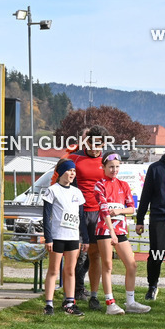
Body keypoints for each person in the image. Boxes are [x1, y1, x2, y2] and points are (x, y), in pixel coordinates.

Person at [95, 153, 151, 315]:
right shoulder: (99, 185)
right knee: (108, 266)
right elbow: (104, 210)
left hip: (120, 230)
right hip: (104, 230)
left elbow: (131, 208)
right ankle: (110, 303)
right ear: (104, 167)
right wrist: (111, 232)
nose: (114, 170)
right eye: (111, 166)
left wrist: (119, 210)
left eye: (117, 166)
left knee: (132, 265)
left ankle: (130, 302)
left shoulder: (124, 185)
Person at [136, 131, 165, 300]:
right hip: (159, 218)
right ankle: (152, 286)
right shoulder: (155, 168)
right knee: (156, 254)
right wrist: (139, 219)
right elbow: (146, 195)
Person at [69, 125, 112, 310]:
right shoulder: (74, 158)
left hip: (99, 214)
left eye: (100, 144)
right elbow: (60, 183)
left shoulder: (106, 160)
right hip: (79, 212)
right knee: (74, 256)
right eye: (94, 143)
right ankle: (71, 296)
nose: (97, 147)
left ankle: (94, 296)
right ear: (87, 141)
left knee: (95, 256)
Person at [41, 159, 86, 316]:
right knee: (54, 270)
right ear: (61, 173)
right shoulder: (52, 191)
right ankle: (49, 305)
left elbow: (81, 217)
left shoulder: (77, 193)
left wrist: (84, 238)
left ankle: (69, 302)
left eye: (74, 170)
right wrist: (48, 238)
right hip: (57, 236)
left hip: (73, 237)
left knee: (70, 270)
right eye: (69, 170)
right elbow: (46, 217)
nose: (72, 173)